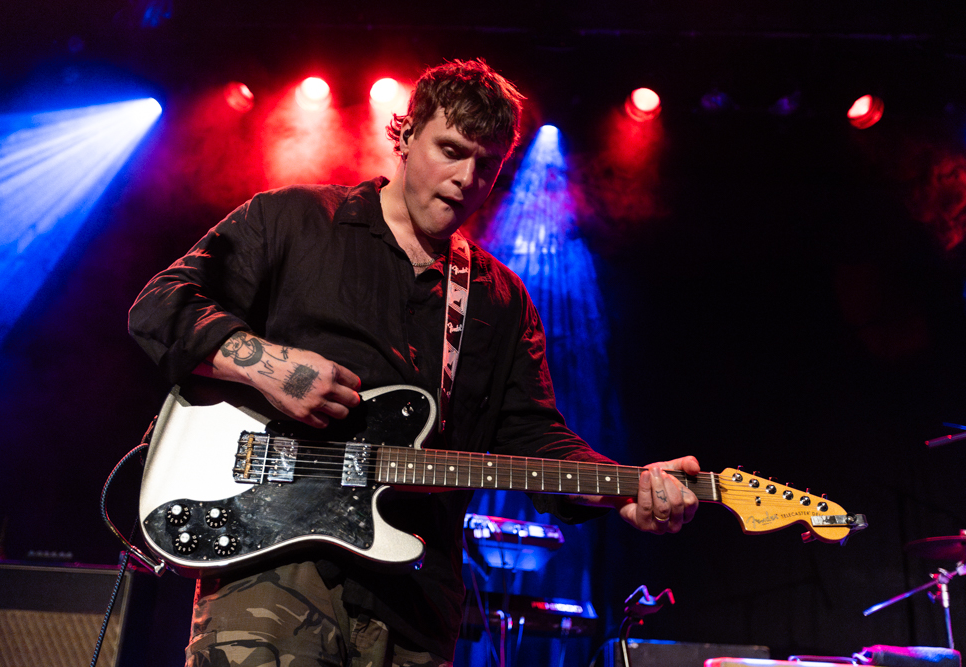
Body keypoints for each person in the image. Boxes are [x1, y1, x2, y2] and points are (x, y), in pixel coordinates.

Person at [129, 58, 700, 667]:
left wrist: (624, 489)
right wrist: (269, 365)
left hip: (416, 601)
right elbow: (161, 305)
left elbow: (533, 436)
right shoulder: (294, 220)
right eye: (450, 150)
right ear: (403, 135)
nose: (466, 178)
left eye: (486, 164)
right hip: (275, 570)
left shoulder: (500, 299)